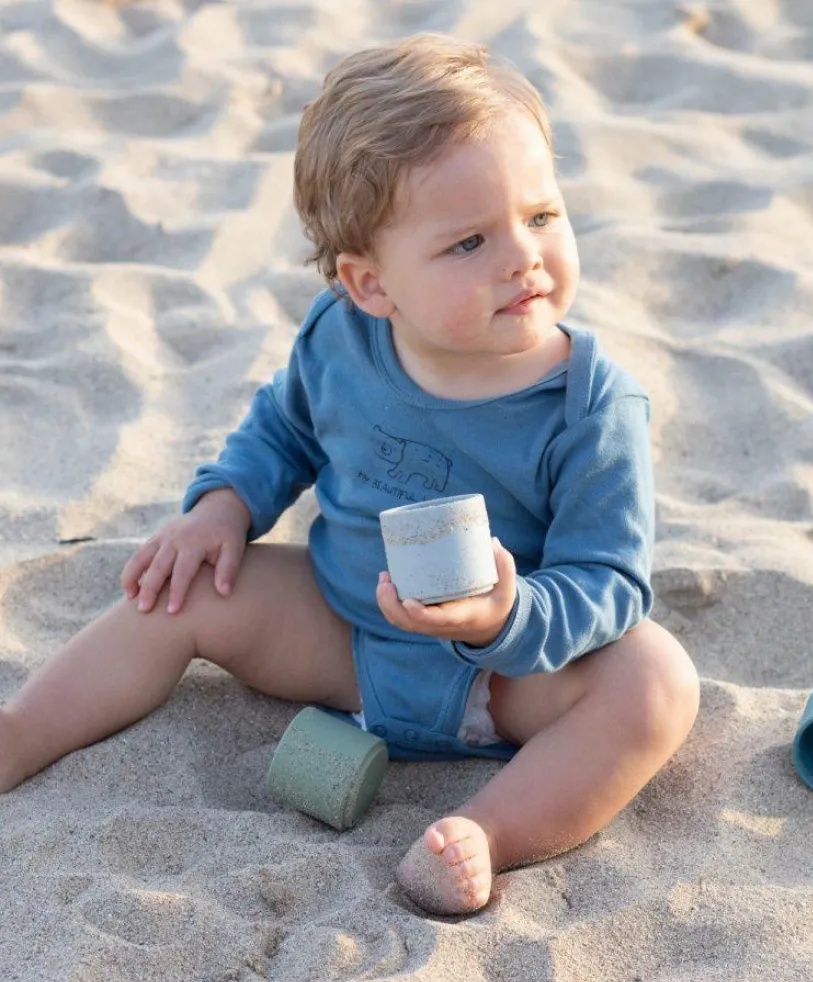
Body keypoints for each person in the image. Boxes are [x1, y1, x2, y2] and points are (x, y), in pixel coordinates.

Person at [0, 33, 700, 916]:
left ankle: (487, 830)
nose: (522, 255)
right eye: (471, 240)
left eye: (542, 216)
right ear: (370, 284)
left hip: (509, 678)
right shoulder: (342, 337)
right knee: (179, 584)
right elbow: (283, 428)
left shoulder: (594, 404)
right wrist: (224, 504)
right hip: (344, 634)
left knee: (656, 683)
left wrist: (504, 618)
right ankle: (23, 731)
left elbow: (610, 580)